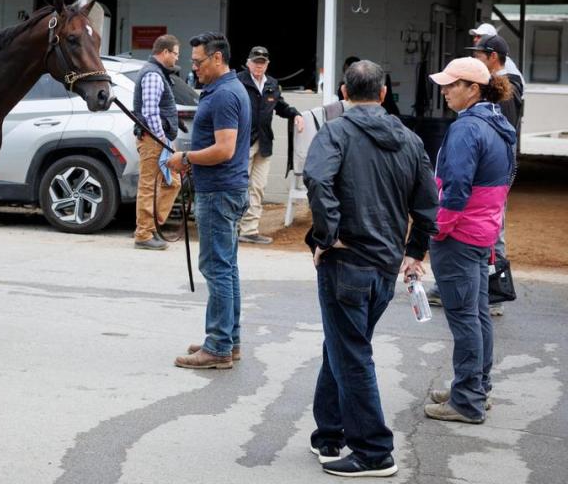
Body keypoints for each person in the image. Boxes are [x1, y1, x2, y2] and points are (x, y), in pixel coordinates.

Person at [303, 60, 438, 477]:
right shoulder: (409, 139)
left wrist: (328, 236)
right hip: (383, 265)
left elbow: (316, 178)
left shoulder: (336, 131)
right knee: (343, 345)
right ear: (382, 94)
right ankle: (329, 434)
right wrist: (414, 251)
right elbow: (429, 200)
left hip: (348, 262)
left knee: (351, 352)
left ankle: (374, 451)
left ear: (343, 93)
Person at [425, 58, 515, 424]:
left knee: (464, 318)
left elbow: (456, 189)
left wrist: (439, 228)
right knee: (477, 316)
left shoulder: (467, 130)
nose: (444, 91)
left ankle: (467, 401)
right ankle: (476, 387)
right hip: (483, 232)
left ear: (473, 89)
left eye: (452, 85)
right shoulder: (499, 124)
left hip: (460, 235)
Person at [166, 32, 251, 370]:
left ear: (218, 59)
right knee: (226, 267)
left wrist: (185, 159)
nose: (194, 68)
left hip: (219, 191)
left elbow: (224, 149)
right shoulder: (227, 89)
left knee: (217, 268)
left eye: (199, 62)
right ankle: (228, 340)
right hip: (225, 189)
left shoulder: (224, 95)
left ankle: (217, 346)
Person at [234, 46, 304, 244]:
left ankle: (249, 230)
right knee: (239, 186)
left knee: (258, 187)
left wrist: (296, 114)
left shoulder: (272, 84)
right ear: (248, 63)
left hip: (264, 143)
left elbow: (280, 106)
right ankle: (233, 227)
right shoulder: (238, 81)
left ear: (267, 64)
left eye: (262, 62)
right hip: (242, 143)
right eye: (255, 61)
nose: (258, 65)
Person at [133, 34, 182, 250]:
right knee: (149, 186)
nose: (177, 59)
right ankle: (144, 234)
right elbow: (150, 110)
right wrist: (160, 137)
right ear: (165, 52)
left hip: (159, 139)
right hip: (155, 139)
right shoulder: (153, 74)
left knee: (174, 182)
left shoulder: (157, 72)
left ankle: (151, 226)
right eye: (176, 54)